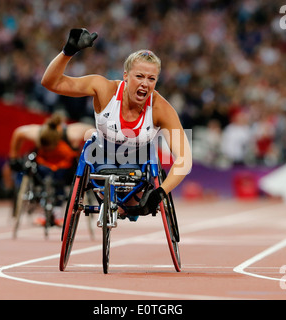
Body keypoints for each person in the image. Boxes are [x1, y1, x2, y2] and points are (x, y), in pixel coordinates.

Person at [41, 28, 192, 216]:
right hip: (101, 158)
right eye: (139, 76)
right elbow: (51, 83)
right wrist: (68, 51)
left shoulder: (162, 109)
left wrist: (159, 193)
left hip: (138, 164)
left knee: (125, 209)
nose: (145, 83)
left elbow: (184, 159)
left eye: (151, 79)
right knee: (113, 206)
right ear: (126, 76)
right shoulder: (104, 89)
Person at [8, 111, 93, 225]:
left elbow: (92, 130)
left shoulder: (72, 133)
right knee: (40, 171)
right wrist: (13, 158)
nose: (49, 151)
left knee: (59, 176)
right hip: (43, 167)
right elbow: (18, 133)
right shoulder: (37, 133)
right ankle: (43, 208)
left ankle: (57, 211)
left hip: (65, 169)